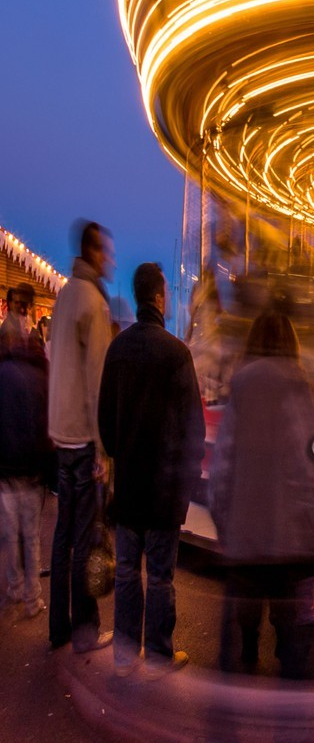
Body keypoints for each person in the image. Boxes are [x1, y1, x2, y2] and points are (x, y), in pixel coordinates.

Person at [97, 262, 205, 677]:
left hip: (129, 485)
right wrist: (187, 477)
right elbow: (193, 426)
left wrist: (119, 454)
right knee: (160, 576)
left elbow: (105, 422)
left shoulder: (118, 350)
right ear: (160, 297)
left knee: (127, 570)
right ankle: (159, 654)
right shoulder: (177, 354)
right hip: (164, 488)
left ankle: (125, 653)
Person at [210, 311, 314, 678]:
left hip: (246, 520)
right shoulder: (298, 383)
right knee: (288, 607)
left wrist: (221, 513)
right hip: (287, 525)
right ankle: (287, 680)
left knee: (246, 596)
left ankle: (247, 651)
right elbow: (303, 462)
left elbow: (225, 457)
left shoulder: (242, 382)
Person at [47, 220, 115, 652]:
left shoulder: (63, 296)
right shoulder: (94, 302)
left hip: (60, 432)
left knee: (61, 536)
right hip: (83, 439)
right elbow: (97, 385)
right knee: (87, 536)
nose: (109, 258)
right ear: (93, 253)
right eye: (105, 251)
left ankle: (58, 627)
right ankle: (86, 629)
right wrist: (103, 449)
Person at [0, 332, 53, 619]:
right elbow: (46, 425)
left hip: (6, 472)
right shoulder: (40, 375)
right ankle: (32, 599)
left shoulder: (2, 372)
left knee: (11, 535)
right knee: (31, 537)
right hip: (32, 471)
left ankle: (15, 588)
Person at [1, 283, 37, 354]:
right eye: (16, 302)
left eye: (20, 302)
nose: (19, 305)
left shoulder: (20, 322)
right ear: (10, 303)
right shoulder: (7, 326)